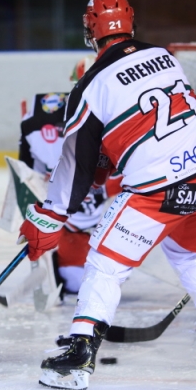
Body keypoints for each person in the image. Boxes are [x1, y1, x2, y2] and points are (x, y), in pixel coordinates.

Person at [18, 0, 196, 390]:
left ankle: (79, 356)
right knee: (190, 254)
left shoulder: (90, 85)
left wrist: (49, 214)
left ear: (90, 32)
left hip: (163, 187)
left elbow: (76, 164)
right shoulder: (165, 56)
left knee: (105, 261)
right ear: (131, 25)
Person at [18, 62, 122, 301]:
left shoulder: (122, 117)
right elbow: (28, 173)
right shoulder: (43, 125)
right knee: (79, 282)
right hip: (69, 220)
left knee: (105, 279)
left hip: (104, 219)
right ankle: (58, 257)